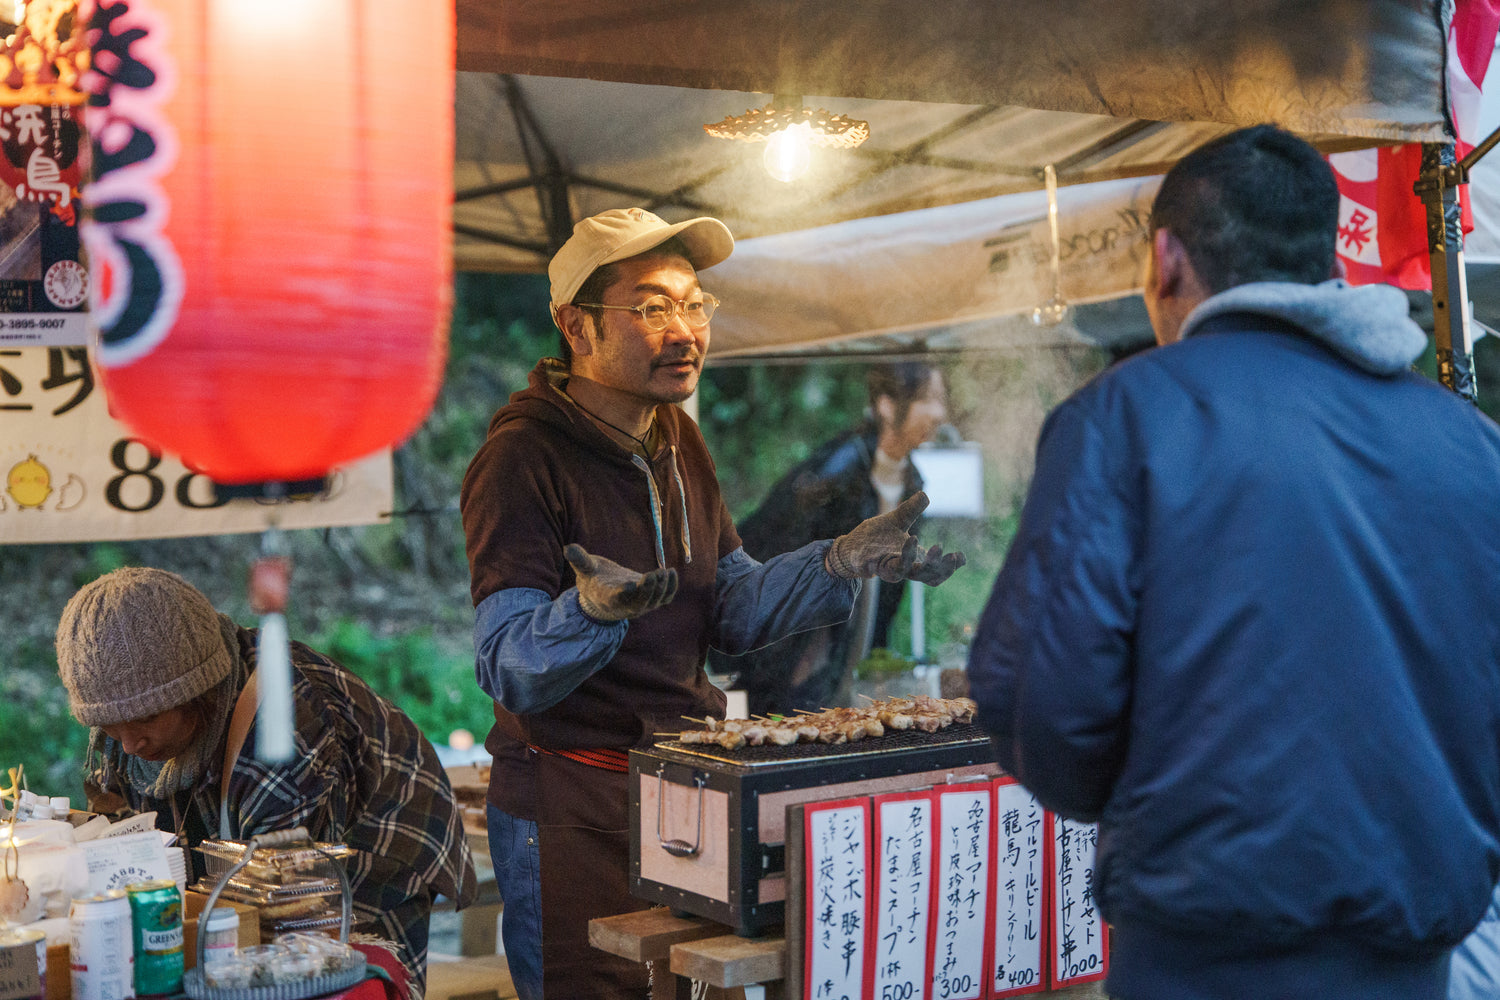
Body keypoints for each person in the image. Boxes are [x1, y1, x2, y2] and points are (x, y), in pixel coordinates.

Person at [965, 124, 1500, 1000]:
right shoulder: (1473, 447)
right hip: (1414, 953)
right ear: (1326, 254)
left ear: (1165, 259)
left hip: (1200, 950)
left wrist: (1156, 806)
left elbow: (1046, 705)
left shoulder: (1124, 419)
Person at [459, 207, 964, 998]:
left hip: (685, 793)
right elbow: (507, 667)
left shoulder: (676, 438)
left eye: (695, 306)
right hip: (573, 806)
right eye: (652, 308)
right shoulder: (520, 459)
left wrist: (837, 560)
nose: (685, 330)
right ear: (576, 326)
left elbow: (730, 610)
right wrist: (587, 617)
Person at [55, 566, 478, 1000]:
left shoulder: (284, 730)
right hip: (249, 838)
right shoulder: (123, 700)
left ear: (195, 695)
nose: (127, 745)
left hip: (371, 850)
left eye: (145, 720)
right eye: (107, 725)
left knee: (323, 971)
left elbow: (290, 907)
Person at [711, 362, 951, 715]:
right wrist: (799, 659)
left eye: (941, 400)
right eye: (927, 400)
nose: (939, 413)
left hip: (852, 651)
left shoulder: (913, 482)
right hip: (797, 662)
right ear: (886, 404)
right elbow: (777, 557)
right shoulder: (835, 471)